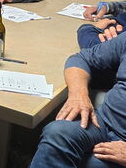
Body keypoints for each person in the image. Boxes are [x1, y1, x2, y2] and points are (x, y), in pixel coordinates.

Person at [29, 35, 126, 167]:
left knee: (91, 164)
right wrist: (79, 94)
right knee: (58, 132)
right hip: (105, 121)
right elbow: (82, 59)